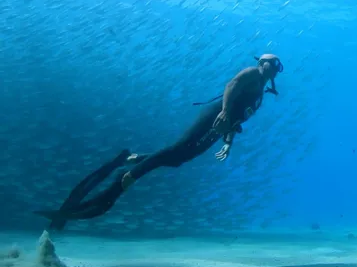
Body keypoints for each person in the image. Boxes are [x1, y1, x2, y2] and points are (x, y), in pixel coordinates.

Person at [34, 54, 284, 230]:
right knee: (176, 150)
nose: (275, 68)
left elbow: (239, 118)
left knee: (178, 160)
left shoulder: (261, 92)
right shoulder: (251, 73)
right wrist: (224, 113)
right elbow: (232, 85)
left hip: (222, 126)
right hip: (214, 116)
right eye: (272, 63)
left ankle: (130, 159)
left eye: (278, 67)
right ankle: (128, 176)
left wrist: (228, 142)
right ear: (262, 63)